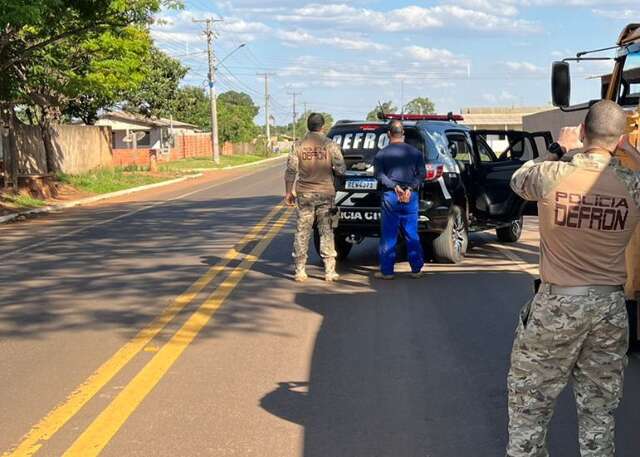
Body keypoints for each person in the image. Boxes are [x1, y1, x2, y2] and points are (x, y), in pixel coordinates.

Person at [506, 100, 640, 457]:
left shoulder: (552, 174)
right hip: (610, 310)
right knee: (599, 414)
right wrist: (632, 153)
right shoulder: (631, 183)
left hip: (557, 306)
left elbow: (518, 179)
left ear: (582, 132)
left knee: (529, 410)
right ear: (621, 138)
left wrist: (558, 149)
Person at [284, 113, 346, 282]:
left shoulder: (298, 145)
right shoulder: (331, 145)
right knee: (326, 231)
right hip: (326, 193)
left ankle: (300, 270)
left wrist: (289, 192)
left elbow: (291, 170)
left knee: (302, 231)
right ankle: (329, 271)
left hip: (304, 194)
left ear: (308, 126)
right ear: (322, 127)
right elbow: (341, 169)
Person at [373, 119, 426, 279]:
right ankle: (416, 269)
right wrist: (409, 188)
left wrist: (394, 186)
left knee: (389, 234)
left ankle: (387, 271)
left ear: (389, 134)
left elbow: (378, 174)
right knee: (411, 232)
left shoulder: (381, 154)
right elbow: (421, 174)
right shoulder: (415, 153)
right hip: (411, 196)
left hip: (391, 196)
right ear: (403, 134)